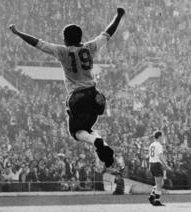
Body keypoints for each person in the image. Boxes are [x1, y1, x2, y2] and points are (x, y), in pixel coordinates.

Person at [8, 8, 125, 167]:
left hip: (76, 97)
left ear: (65, 39)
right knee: (87, 127)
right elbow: (108, 33)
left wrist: (18, 33)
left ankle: (97, 141)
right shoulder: (90, 47)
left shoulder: (62, 51)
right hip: (95, 95)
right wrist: (118, 16)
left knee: (75, 132)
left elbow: (38, 43)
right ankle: (101, 145)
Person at [148, 131, 171, 206]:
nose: (163, 138)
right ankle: (157, 200)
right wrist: (166, 165)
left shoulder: (151, 144)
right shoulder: (159, 145)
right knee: (159, 184)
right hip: (157, 164)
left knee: (160, 183)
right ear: (159, 137)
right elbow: (160, 156)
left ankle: (152, 196)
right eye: (162, 136)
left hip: (151, 164)